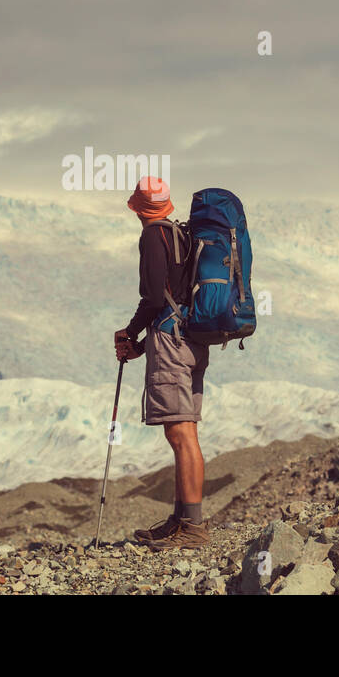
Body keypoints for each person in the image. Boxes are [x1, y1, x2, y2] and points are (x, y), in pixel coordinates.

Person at [114, 176, 210, 550]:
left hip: (170, 339)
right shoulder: (183, 234)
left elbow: (154, 298)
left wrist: (131, 332)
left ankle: (193, 529)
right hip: (192, 339)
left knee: (181, 433)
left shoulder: (154, 236)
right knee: (184, 432)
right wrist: (140, 342)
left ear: (137, 207)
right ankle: (182, 519)